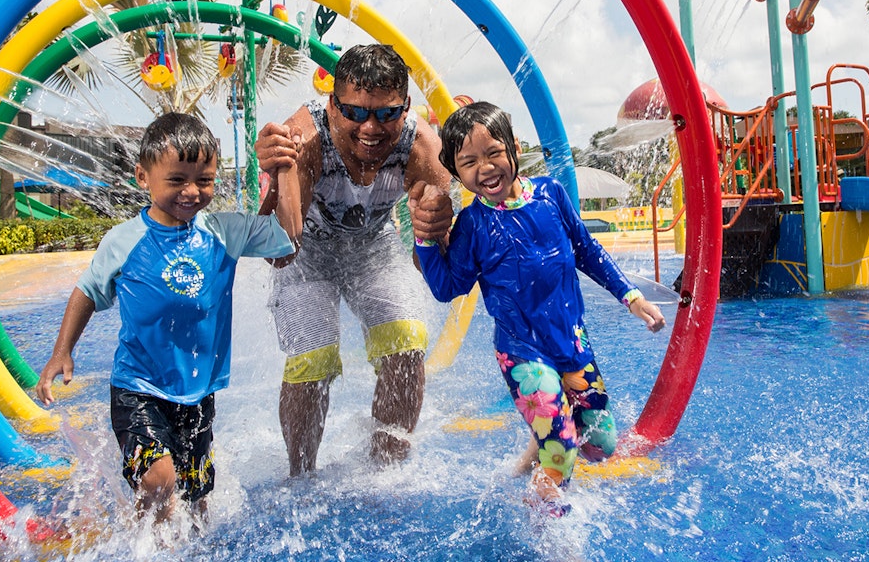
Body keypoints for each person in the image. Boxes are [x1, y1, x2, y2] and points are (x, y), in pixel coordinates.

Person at [35, 112, 302, 525]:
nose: (192, 192)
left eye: (205, 180)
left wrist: (285, 169)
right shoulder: (124, 240)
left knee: (196, 499)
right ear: (143, 176)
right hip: (137, 387)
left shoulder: (223, 232)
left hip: (196, 392)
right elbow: (87, 290)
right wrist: (61, 352)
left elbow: (286, 239)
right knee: (159, 481)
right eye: (177, 180)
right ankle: (145, 545)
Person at [406, 101, 667, 516]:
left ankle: (539, 443)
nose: (486, 168)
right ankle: (548, 527)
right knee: (562, 453)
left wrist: (631, 297)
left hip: (570, 343)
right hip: (522, 351)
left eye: (493, 152)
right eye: (469, 162)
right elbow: (446, 287)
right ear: (456, 173)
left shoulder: (550, 195)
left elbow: (586, 248)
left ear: (514, 147)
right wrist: (423, 239)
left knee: (600, 445)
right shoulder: (473, 227)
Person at [254, 43, 454, 476]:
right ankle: (300, 476)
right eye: (355, 112)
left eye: (386, 113)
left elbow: (436, 273)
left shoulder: (423, 150)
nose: (370, 128)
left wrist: (436, 232)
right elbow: (282, 254)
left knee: (406, 340)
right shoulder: (302, 141)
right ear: (331, 105)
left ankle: (388, 473)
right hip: (308, 253)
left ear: (406, 107)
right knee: (314, 359)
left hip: (373, 246)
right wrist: (274, 180)